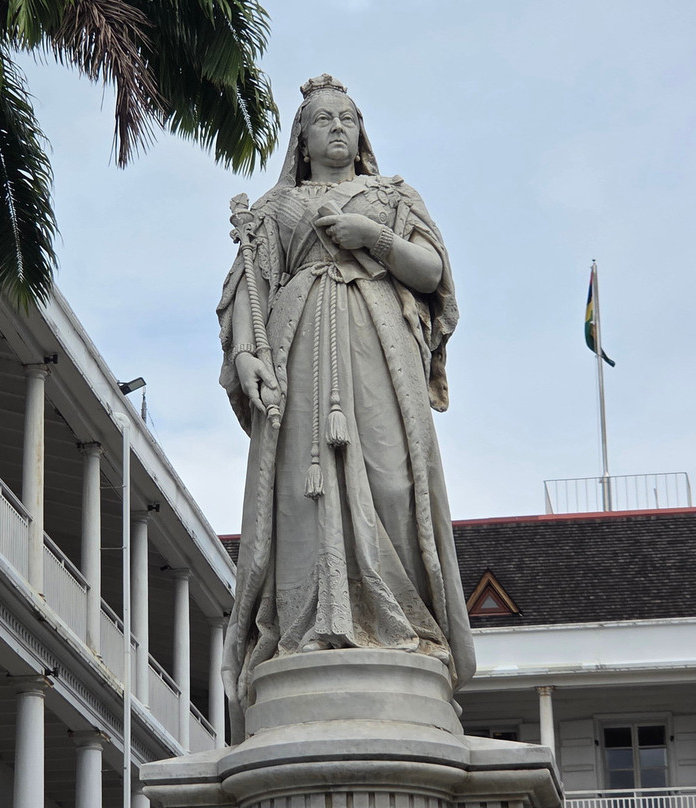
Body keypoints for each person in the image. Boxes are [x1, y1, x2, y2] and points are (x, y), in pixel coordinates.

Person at [218, 75, 475, 738]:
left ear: (362, 133)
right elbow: (249, 294)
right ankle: (312, 627)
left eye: (347, 118)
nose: (336, 128)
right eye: (322, 120)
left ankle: (409, 629)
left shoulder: (392, 197)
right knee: (308, 497)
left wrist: (372, 238)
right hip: (299, 343)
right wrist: (247, 359)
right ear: (300, 139)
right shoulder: (276, 210)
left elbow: (433, 275)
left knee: (394, 482)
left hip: (378, 343)